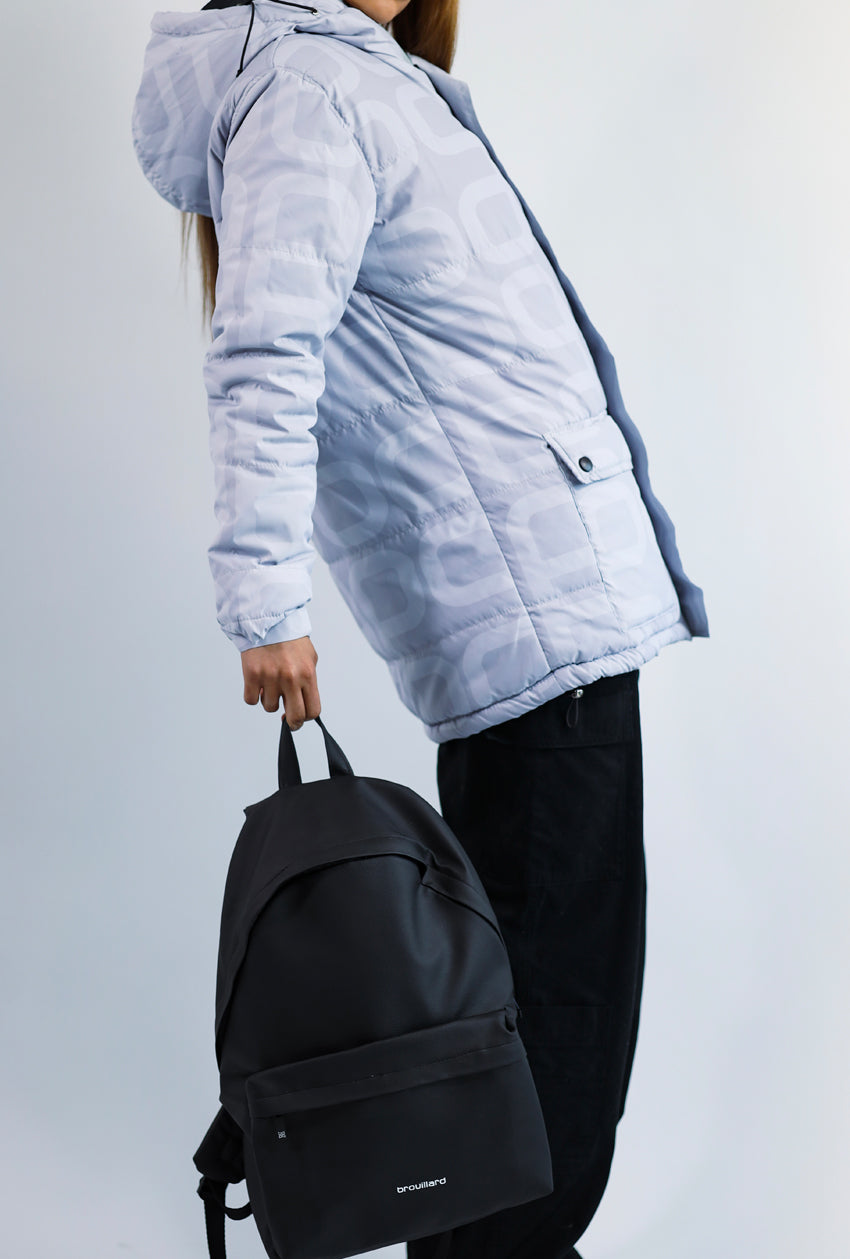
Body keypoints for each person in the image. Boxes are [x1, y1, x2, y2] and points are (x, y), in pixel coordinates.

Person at [131, 1, 709, 1255]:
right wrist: (265, 599)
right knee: (547, 1056)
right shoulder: (310, 88)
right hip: (533, 626)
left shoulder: (351, 80)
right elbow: (264, 355)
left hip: (539, 620)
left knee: (528, 1042)